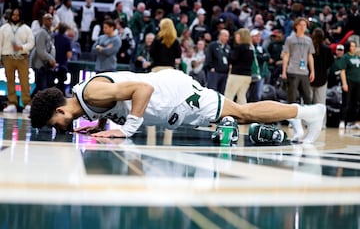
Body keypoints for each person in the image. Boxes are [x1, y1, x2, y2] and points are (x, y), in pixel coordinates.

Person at [29, 69, 326, 144]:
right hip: (171, 96)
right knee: (241, 113)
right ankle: (294, 113)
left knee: (243, 113)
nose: (61, 128)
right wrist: (104, 123)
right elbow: (115, 100)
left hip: (176, 97)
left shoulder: (91, 93)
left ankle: (309, 112)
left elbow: (141, 89)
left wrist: (126, 129)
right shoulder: (88, 99)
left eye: (56, 125)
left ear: (59, 111)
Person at [0, 8, 34, 113]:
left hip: (22, 57)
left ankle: (27, 103)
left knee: (24, 81)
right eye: (13, 15)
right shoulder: (3, 28)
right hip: (7, 57)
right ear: (10, 16)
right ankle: (12, 103)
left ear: (20, 16)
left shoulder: (26, 28)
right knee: (9, 81)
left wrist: (21, 47)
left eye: (17, 15)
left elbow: (31, 43)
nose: (15, 17)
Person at [281, 17, 315, 104]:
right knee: (292, 97)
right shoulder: (290, 39)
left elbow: (310, 56)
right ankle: (291, 117)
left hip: (304, 72)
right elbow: (286, 55)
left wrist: (312, 71)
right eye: (300, 25)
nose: (302, 27)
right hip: (293, 71)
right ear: (296, 26)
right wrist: (284, 71)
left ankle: (307, 116)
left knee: (307, 97)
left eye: (304, 25)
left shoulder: (309, 40)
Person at [224, 28, 253, 104]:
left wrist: (229, 54)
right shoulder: (251, 48)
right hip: (247, 76)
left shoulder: (240, 47)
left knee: (228, 95)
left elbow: (232, 60)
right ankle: (242, 114)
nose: (235, 38)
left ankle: (226, 114)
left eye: (237, 36)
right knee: (242, 97)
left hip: (237, 75)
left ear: (241, 36)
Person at [30, 13, 56, 94]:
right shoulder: (41, 32)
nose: (50, 21)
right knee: (41, 88)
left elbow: (51, 48)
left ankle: (31, 103)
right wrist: (51, 59)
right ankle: (31, 104)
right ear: (43, 20)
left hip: (47, 65)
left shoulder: (50, 33)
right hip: (40, 65)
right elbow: (40, 50)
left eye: (51, 19)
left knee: (43, 88)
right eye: (48, 19)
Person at [338, 40, 360, 129]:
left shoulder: (357, 57)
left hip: (358, 82)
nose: (353, 48)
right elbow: (342, 71)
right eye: (351, 46)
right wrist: (344, 83)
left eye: (354, 46)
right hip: (349, 81)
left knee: (355, 103)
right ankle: (342, 120)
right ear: (348, 47)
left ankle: (352, 121)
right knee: (346, 102)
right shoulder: (345, 57)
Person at [205, 29, 230, 94]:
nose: (227, 38)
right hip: (215, 72)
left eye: (228, 36)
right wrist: (211, 67)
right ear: (220, 36)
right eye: (225, 36)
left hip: (225, 73)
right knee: (212, 91)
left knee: (222, 92)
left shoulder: (228, 47)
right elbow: (208, 56)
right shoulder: (213, 45)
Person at [53, 22, 72, 95]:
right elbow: (69, 54)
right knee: (61, 84)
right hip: (62, 64)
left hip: (52, 63)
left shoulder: (53, 36)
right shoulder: (67, 39)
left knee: (50, 83)